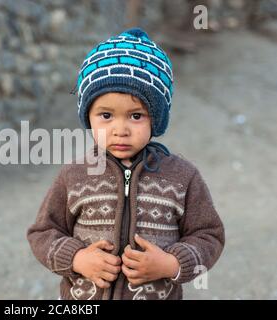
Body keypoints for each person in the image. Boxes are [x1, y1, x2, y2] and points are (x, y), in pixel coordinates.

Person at [26, 28, 225, 300]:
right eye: (106, 115)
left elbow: (208, 234)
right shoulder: (73, 176)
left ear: (157, 118)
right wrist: (76, 258)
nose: (120, 129)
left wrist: (172, 264)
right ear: (88, 116)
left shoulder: (183, 177)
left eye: (136, 115)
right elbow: (43, 232)